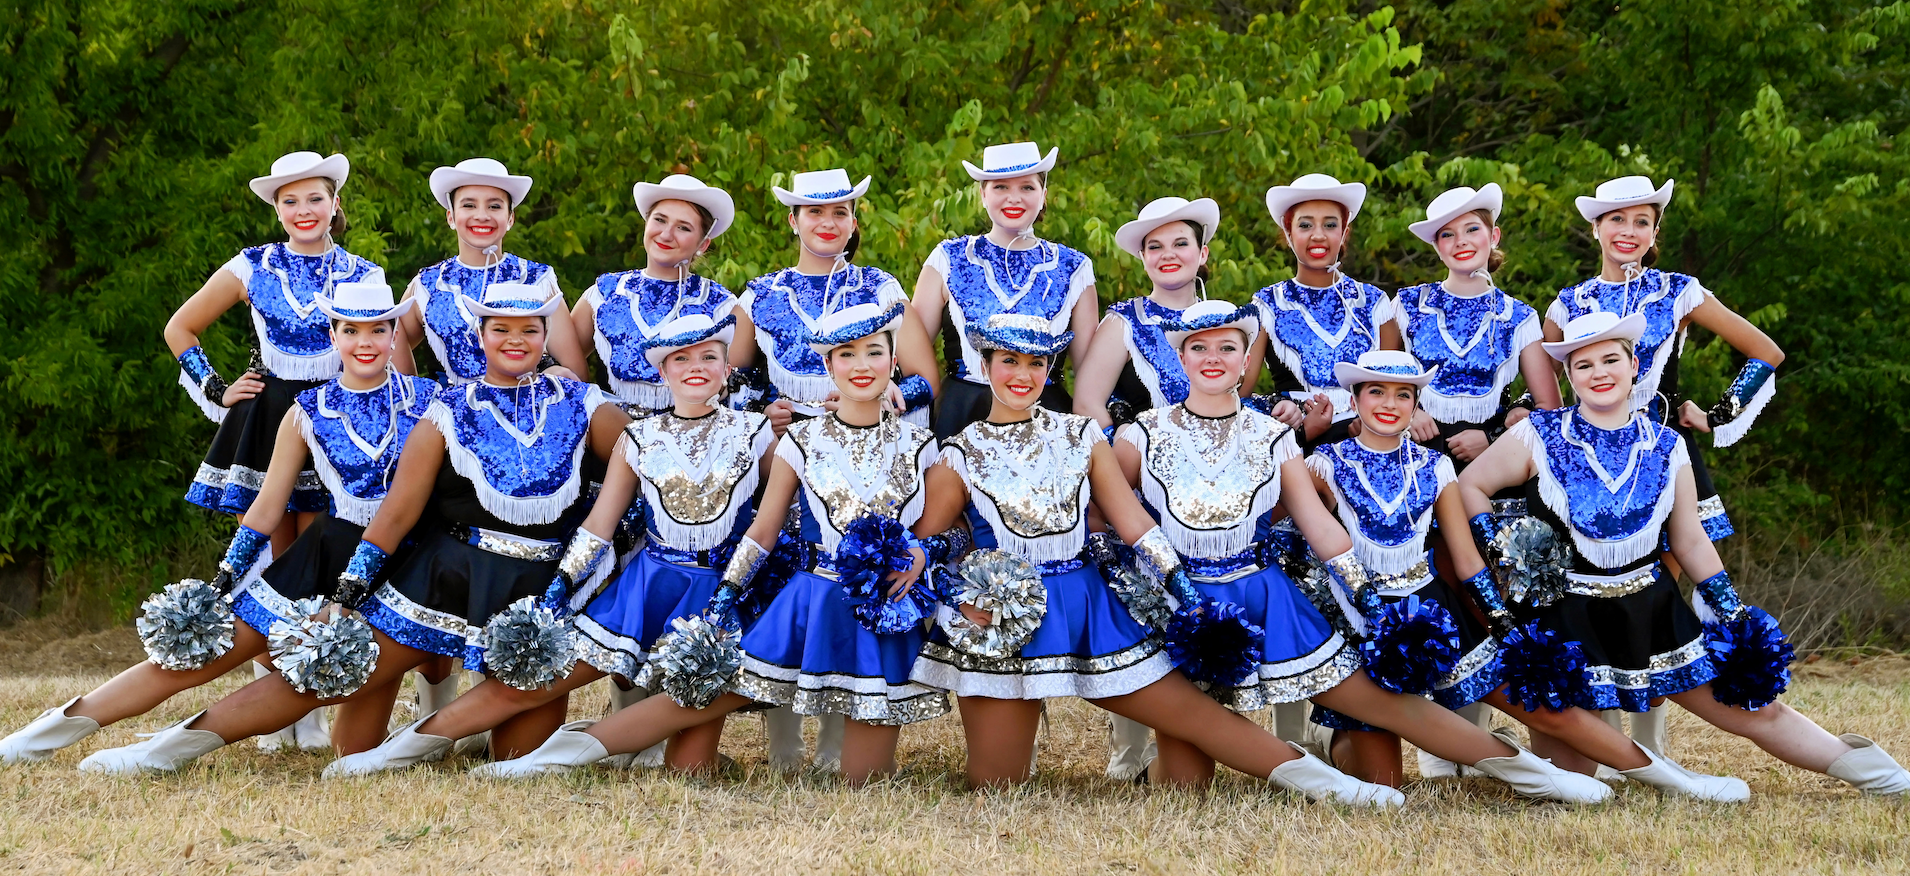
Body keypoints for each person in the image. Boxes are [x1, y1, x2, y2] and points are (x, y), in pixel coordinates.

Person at [905, 312, 1608, 804]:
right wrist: (943, 583)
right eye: (1009, 362)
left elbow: (1139, 524)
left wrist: (1363, 600)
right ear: (984, 364)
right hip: (1034, 617)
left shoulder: (1087, 436)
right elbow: (936, 539)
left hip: (1179, 605)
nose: (1023, 374)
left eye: (1036, 362)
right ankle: (1328, 777)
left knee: (1355, 701)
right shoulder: (970, 450)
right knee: (1002, 788)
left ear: (1246, 358)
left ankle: (1509, 775)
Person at [74, 284, 630, 773]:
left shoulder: (581, 401)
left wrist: (609, 542)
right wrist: (348, 596)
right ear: (479, 336)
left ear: (545, 335)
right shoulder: (446, 407)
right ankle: (169, 748)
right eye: (500, 329)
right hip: (441, 578)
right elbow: (398, 511)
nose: (516, 340)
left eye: (529, 330)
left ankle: (424, 743)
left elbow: (641, 462)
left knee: (515, 752)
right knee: (322, 674)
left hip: (529, 593)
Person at [466, 302, 951, 785]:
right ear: (827, 365)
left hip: (879, 611)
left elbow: (949, 532)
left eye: (873, 353)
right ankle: (559, 756)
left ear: (894, 363)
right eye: (846, 354)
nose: (861, 365)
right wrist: (724, 604)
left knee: (865, 783)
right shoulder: (800, 441)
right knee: (698, 698)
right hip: (807, 604)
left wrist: (926, 551)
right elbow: (762, 532)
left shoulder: (924, 447)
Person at [1449, 311, 1909, 797]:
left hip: (1652, 610)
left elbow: (1689, 539)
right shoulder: (1538, 434)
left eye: (1611, 360)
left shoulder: (1668, 445)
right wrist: (1512, 547)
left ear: (1634, 366)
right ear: (1569, 376)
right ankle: (1517, 761)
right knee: (1574, 780)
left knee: (1754, 709)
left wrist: (1732, 614)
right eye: (1583, 365)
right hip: (1566, 617)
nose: (1599, 373)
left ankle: (1877, 774)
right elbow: (1469, 486)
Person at [0, 281, 436, 764]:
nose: (366, 342)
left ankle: (172, 741)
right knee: (206, 648)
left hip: (406, 565)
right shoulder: (307, 411)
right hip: (327, 553)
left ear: (396, 333)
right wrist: (225, 580)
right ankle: (44, 736)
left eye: (378, 329)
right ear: (332, 336)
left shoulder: (432, 402)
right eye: (351, 330)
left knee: (353, 750)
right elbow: (268, 507)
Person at [324, 312, 773, 777]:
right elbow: (600, 524)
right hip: (648, 585)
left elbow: (778, 522)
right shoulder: (638, 438)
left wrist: (735, 594)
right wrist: (560, 589)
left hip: (722, 593)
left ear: (727, 367)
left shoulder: (758, 434)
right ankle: (395, 753)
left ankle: (569, 753)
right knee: (533, 678)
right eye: (681, 358)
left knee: (692, 769)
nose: (695, 367)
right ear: (662, 372)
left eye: (709, 357)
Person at [1543, 175, 1787, 756]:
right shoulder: (1568, 303)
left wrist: (1720, 412)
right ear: (1596, 228)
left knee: (1657, 598)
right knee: (1600, 596)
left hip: (1662, 459)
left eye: (1642, 222)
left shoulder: (1679, 291)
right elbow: (1540, 390)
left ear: (1655, 232)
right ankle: (1605, 746)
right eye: (1617, 220)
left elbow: (1765, 351)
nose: (1629, 232)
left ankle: (1652, 749)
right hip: (1586, 468)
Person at [736, 167, 941, 769]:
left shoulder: (882, 287)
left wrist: (899, 394)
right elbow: (737, 378)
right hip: (788, 453)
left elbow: (928, 379)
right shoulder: (761, 294)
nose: (828, 224)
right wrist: (761, 406)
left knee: (847, 585)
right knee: (781, 589)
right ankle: (782, 746)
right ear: (793, 220)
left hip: (865, 452)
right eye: (814, 213)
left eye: (840, 213)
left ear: (854, 221)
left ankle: (836, 745)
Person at [1392, 183, 1558, 775]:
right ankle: (1441, 752)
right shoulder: (1405, 306)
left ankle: (1492, 737)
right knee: (1436, 592)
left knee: (1491, 596)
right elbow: (1380, 381)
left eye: (1472, 230)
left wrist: (1494, 436)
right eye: (1447, 234)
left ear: (1494, 238)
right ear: (1436, 246)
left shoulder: (1520, 315)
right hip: (1417, 463)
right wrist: (1410, 412)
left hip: (1490, 476)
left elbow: (1549, 409)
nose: (1461, 242)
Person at [1072, 196, 1220, 779]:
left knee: (1208, 596)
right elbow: (1088, 405)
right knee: (1143, 602)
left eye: (1180, 243)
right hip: (1142, 479)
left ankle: (1198, 737)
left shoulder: (1235, 319)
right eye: (1154, 246)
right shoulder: (1122, 321)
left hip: (1217, 484)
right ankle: (1131, 752)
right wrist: (1133, 459)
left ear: (1202, 253)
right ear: (1142, 259)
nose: (1168, 255)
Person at [166, 152, 384, 548]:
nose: (304, 210)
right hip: (265, 415)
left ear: (334, 205)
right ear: (276, 209)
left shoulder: (364, 274)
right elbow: (179, 328)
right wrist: (216, 389)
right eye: (290, 201)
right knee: (269, 560)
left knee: (317, 554)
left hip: (334, 417)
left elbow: (381, 353)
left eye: (315, 199)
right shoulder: (251, 266)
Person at [912, 142, 1098, 438]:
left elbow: (1092, 374)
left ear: (1043, 195)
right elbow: (911, 357)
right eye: (1000, 187)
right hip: (961, 415)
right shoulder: (947, 258)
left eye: (1027, 187)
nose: (1014, 198)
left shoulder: (1074, 268)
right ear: (983, 195)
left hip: (1046, 420)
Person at [1244, 173, 1404, 449]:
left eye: (1330, 224)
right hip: (1297, 448)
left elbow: (1397, 388)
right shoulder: (1267, 304)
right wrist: (1284, 411)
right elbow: (1238, 396)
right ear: (1288, 231)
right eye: (1305, 225)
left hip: (1368, 445)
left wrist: (1369, 422)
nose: (1318, 235)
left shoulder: (1375, 303)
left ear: (1344, 232)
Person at [400, 157, 589, 388]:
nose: (482, 215)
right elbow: (386, 357)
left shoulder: (537, 279)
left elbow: (577, 377)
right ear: (450, 216)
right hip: (457, 418)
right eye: (469, 205)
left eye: (494, 206)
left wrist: (548, 369)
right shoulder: (427, 285)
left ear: (510, 218)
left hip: (527, 415)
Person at [573, 174, 749, 416]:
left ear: (703, 244)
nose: (666, 234)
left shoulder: (723, 306)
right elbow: (562, 363)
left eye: (683, 227)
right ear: (646, 223)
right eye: (660, 220)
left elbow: (738, 387)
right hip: (611, 438)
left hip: (693, 440)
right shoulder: (605, 293)